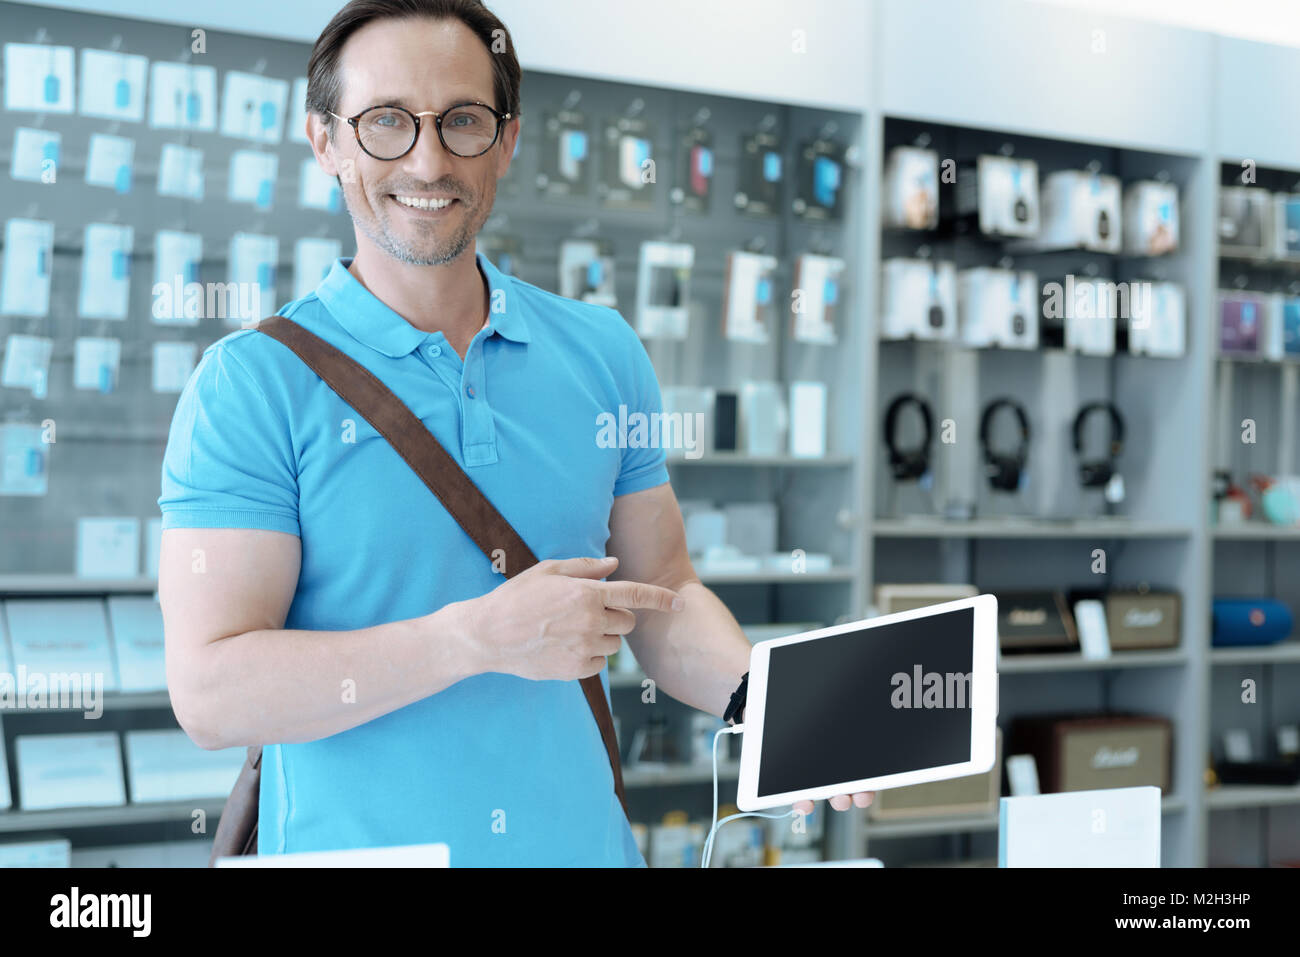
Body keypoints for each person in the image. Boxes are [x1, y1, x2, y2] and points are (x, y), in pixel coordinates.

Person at [158, 0, 870, 866]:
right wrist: (471, 639)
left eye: (463, 120)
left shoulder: (601, 351)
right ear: (326, 142)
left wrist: (769, 705)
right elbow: (210, 691)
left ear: (508, 140)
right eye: (386, 121)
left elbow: (663, 594)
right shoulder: (250, 383)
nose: (428, 158)